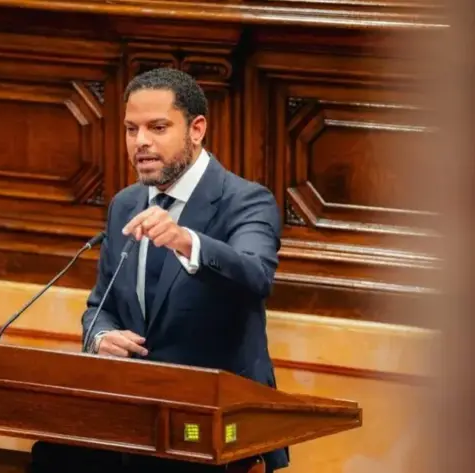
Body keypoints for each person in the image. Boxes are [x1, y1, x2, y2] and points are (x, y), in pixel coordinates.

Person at [31, 67, 288, 473]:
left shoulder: (246, 201)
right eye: (132, 130)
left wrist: (188, 241)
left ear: (196, 129)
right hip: (134, 416)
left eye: (158, 127)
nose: (141, 142)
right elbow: (100, 307)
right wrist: (100, 336)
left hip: (213, 422)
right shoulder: (125, 205)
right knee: (53, 454)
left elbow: (256, 276)